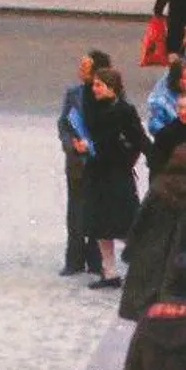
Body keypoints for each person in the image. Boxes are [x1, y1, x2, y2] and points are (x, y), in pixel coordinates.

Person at [120, 143, 186, 323]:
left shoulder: (158, 186)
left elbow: (140, 222)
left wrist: (130, 251)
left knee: (147, 318)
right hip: (182, 264)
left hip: (149, 259)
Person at [82, 67, 146, 287]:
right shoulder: (92, 108)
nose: (95, 89)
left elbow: (138, 139)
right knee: (101, 226)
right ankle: (109, 272)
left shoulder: (125, 110)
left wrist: (127, 160)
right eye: (94, 85)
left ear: (112, 87)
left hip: (118, 174)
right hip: (98, 173)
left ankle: (142, 268)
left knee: (126, 224)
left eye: (99, 85)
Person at [57, 49, 109, 277]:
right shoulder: (73, 93)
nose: (80, 70)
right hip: (77, 162)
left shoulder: (109, 94)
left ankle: (95, 258)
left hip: (99, 162)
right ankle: (74, 259)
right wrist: (72, 144)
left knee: (97, 209)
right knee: (75, 210)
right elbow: (64, 124)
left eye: (85, 66)